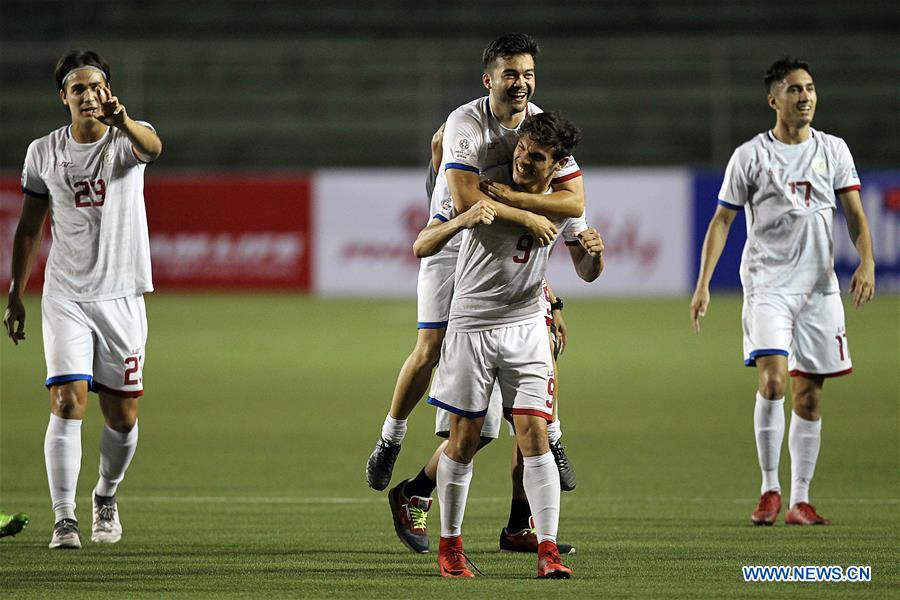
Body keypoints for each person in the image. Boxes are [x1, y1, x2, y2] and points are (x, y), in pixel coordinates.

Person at [366, 32, 584, 492]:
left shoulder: (541, 127)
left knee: (543, 340)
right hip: (453, 235)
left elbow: (575, 198)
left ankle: (553, 439)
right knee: (430, 345)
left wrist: (550, 289)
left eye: (527, 74)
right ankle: (391, 437)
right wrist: (526, 211)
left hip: (500, 238)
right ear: (488, 80)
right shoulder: (466, 123)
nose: (520, 83)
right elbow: (467, 201)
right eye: (510, 74)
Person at [690, 57, 874, 527]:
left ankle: (800, 500)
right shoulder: (750, 156)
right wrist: (704, 284)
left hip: (818, 290)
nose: (805, 96)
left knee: (808, 397)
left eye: (810, 87)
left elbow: (855, 215)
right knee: (773, 381)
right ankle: (769, 488)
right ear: (774, 100)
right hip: (768, 285)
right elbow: (722, 222)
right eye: (794, 89)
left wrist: (867, 261)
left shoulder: (833, 150)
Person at [430, 111, 603, 578]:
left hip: (527, 325)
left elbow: (586, 272)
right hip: (472, 323)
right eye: (522, 149)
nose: (524, 160)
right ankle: (450, 546)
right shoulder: (485, 183)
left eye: (537, 157)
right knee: (464, 441)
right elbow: (426, 239)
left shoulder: (566, 203)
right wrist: (505, 211)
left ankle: (548, 550)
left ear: (557, 163)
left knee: (534, 434)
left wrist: (594, 252)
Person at [3, 49, 162, 549]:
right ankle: (64, 518)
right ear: (63, 97)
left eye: (96, 86)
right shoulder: (43, 153)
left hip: (121, 297)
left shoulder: (125, 140)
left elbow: (154, 148)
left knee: (123, 417)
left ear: (108, 91)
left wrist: (126, 119)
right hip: (65, 294)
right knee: (67, 401)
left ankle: (105, 495)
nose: (89, 95)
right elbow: (28, 230)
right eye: (79, 88)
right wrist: (15, 292)